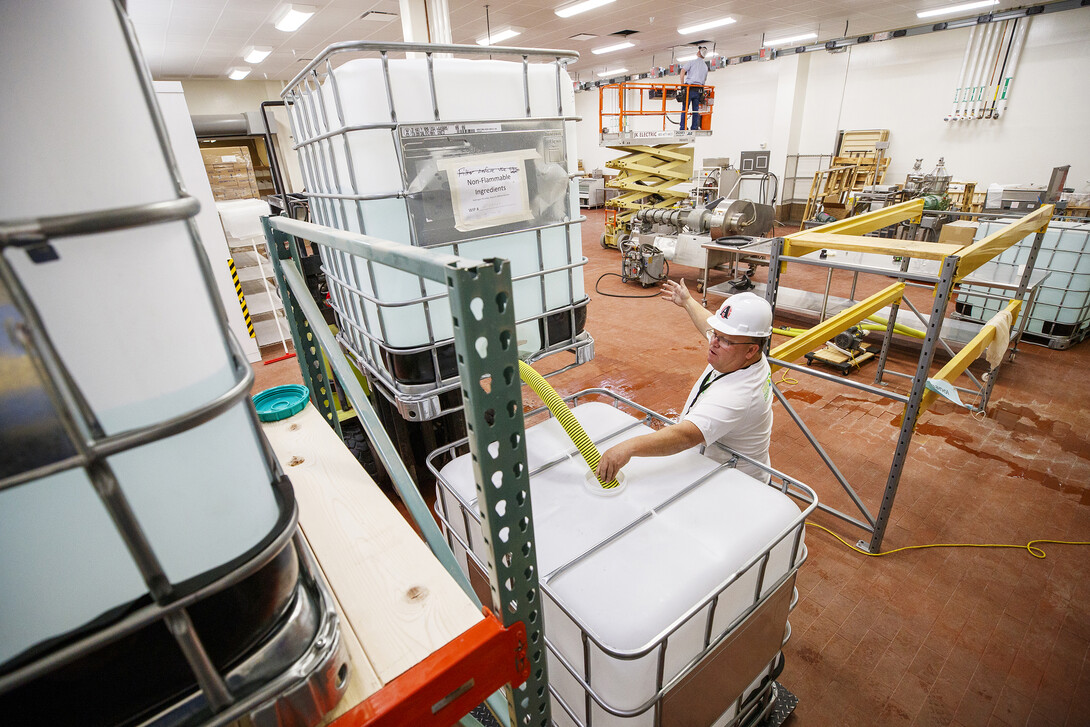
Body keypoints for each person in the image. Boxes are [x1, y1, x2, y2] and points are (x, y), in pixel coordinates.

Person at [596, 280, 774, 483]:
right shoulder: (742, 354)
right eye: (716, 334)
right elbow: (709, 324)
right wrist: (688, 301)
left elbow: (685, 436)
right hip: (719, 465)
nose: (713, 342)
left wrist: (627, 448)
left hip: (737, 483)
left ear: (751, 350)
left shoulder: (738, 395)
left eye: (724, 339)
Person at [679, 46, 710, 130]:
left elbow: (682, 71)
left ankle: (683, 127)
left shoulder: (692, 62)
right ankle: (694, 127)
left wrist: (682, 85)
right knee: (695, 110)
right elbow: (704, 79)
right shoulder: (705, 67)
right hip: (699, 90)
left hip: (689, 88)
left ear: (699, 53)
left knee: (685, 109)